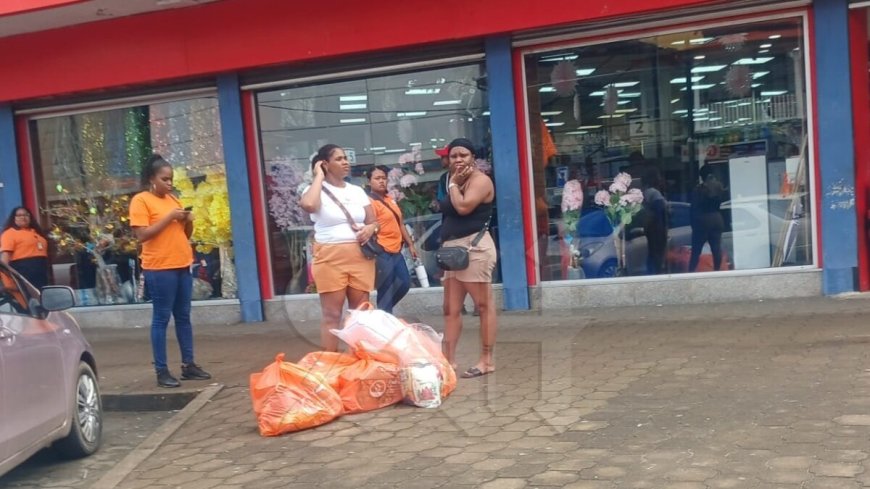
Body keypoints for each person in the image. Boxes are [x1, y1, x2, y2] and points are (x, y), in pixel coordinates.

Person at [129, 154, 211, 388]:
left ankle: (189, 365)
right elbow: (142, 234)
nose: (169, 183)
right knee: (161, 318)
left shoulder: (173, 200)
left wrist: (187, 220)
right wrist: (169, 218)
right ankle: (161, 370)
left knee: (183, 317)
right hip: (159, 267)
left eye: (171, 179)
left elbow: (184, 235)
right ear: (151, 179)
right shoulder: (141, 200)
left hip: (182, 264)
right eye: (165, 179)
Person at [300, 144, 378, 352]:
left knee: (359, 314)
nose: (346, 162)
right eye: (339, 159)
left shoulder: (357, 191)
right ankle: (331, 363)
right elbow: (308, 206)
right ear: (325, 164)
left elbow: (373, 220)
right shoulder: (314, 190)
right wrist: (318, 176)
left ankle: (359, 360)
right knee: (332, 314)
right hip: (330, 256)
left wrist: (370, 229)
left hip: (360, 255)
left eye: (346, 158)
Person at [438, 138, 498, 378]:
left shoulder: (480, 181)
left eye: (463, 155)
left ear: (473, 157)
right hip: (453, 250)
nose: (458, 159)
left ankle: (486, 360)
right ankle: (448, 361)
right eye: (454, 156)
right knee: (451, 308)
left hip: (475, 248)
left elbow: (463, 208)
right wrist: (452, 183)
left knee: (483, 306)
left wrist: (453, 183)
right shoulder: (450, 181)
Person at [367, 165, 418, 314]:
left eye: (384, 178)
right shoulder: (369, 202)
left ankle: (382, 313)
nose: (381, 181)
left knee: (404, 284)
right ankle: (385, 316)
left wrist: (411, 245)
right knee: (386, 289)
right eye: (377, 178)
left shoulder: (390, 200)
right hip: (382, 251)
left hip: (396, 250)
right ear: (369, 181)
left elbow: (400, 223)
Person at [0, 206, 50, 289]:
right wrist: (7, 282)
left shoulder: (37, 232)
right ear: (14, 218)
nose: (23, 217)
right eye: (19, 215)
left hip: (41, 272)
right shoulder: (9, 233)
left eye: (26, 215)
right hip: (23, 272)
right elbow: (4, 260)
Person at [689, 164, 726, 272]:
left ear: (702, 176)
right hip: (717, 218)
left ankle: (690, 272)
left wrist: (693, 224)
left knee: (696, 250)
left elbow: (694, 207)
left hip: (702, 220)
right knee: (716, 248)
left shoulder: (699, 190)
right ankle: (717, 271)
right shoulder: (718, 187)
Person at [641, 167, 667, 275]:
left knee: (652, 253)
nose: (661, 179)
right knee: (657, 253)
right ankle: (657, 273)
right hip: (657, 227)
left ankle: (652, 273)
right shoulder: (654, 193)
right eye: (659, 177)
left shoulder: (646, 192)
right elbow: (660, 209)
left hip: (651, 227)